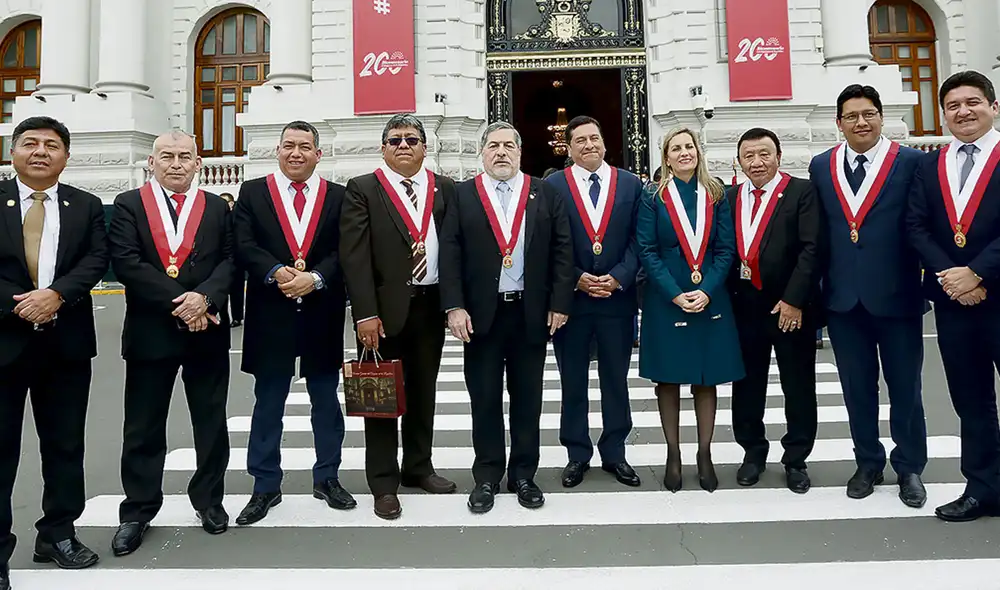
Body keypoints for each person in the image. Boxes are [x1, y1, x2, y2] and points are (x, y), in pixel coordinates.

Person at [108, 130, 234, 555]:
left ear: (198, 163)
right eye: (167, 156)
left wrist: (206, 299)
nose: (176, 163)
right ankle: (138, 511)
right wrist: (184, 303)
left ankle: (209, 501)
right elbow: (127, 262)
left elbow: (230, 261)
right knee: (143, 427)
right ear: (152, 161)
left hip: (208, 331)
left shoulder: (217, 207)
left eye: (185, 156)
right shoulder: (128, 205)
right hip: (151, 333)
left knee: (211, 424)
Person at [439, 121, 574, 514]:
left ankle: (524, 475)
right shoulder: (464, 194)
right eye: (493, 146)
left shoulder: (543, 192)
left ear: (520, 152)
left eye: (508, 146)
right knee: (483, 398)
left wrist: (560, 303)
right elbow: (450, 252)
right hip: (480, 317)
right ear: (482, 153)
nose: (501, 152)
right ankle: (486, 476)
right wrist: (454, 306)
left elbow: (562, 251)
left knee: (528, 399)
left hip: (530, 313)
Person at [0, 116, 109, 589]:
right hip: (4, 341)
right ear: (13, 151)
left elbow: (97, 258)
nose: (40, 152)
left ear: (66, 156)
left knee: (64, 445)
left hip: (65, 343)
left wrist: (58, 294)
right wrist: (22, 304)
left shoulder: (84, 206)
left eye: (51, 145)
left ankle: (58, 534)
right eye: (30, 143)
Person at [809, 84, 928, 508]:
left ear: (881, 116)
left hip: (897, 297)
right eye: (852, 116)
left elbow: (921, 225)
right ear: (838, 122)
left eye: (868, 114)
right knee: (856, 387)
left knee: (905, 388)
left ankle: (910, 465)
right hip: (843, 300)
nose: (861, 122)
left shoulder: (911, 162)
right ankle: (868, 461)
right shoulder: (822, 166)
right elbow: (819, 234)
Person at [233, 121, 355, 525]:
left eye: (305, 146)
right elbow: (244, 244)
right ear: (278, 150)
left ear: (318, 154)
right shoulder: (253, 192)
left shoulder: (338, 196)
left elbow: (345, 249)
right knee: (268, 404)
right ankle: (264, 485)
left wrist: (315, 277)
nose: (296, 153)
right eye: (289, 146)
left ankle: (328, 477)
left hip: (321, 313)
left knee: (326, 402)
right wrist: (276, 272)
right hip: (272, 313)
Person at [340, 114, 458, 520]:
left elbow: (454, 249)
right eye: (395, 140)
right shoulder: (363, 189)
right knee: (381, 397)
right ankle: (384, 483)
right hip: (382, 313)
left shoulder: (444, 188)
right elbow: (354, 257)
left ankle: (418, 467)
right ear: (383, 147)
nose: (403, 146)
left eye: (411, 139)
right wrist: (364, 314)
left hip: (430, 305)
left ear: (425, 147)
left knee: (424, 391)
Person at [907, 70, 1000, 522]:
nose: (963, 111)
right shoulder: (931, 164)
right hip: (954, 301)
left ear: (993, 107)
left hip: (996, 292)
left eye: (972, 102)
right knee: (971, 398)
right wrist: (952, 276)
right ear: (943, 114)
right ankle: (983, 488)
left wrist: (978, 273)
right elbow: (916, 226)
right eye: (953, 106)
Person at [636, 127, 744, 493]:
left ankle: (704, 453)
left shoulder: (715, 194)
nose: (684, 153)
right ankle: (673, 453)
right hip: (667, 297)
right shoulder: (653, 196)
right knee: (668, 378)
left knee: (705, 377)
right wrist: (675, 293)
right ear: (665, 157)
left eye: (689, 146)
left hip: (709, 294)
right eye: (676, 148)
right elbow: (647, 250)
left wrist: (707, 289)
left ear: (698, 152)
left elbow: (727, 249)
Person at [543, 115, 641, 488]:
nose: (588, 145)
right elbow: (548, 242)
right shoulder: (553, 186)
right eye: (580, 140)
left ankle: (615, 452)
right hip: (572, 302)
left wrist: (618, 276)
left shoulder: (630, 184)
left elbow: (639, 239)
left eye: (594, 138)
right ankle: (577, 454)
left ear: (605, 143)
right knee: (572, 381)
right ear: (568, 148)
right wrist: (576, 278)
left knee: (616, 379)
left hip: (617, 299)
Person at [727, 128, 823, 494]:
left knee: (797, 384)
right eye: (749, 155)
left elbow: (812, 249)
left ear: (778, 156)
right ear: (739, 160)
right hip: (744, 307)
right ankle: (752, 451)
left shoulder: (800, 192)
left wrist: (795, 299)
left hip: (789, 308)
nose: (757, 162)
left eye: (764, 154)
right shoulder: (731, 195)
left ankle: (796, 458)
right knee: (747, 385)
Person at [220, 192, 245, 327]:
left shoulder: (238, 216)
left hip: (236, 259)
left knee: (237, 290)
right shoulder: (217, 216)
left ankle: (237, 317)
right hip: (222, 259)